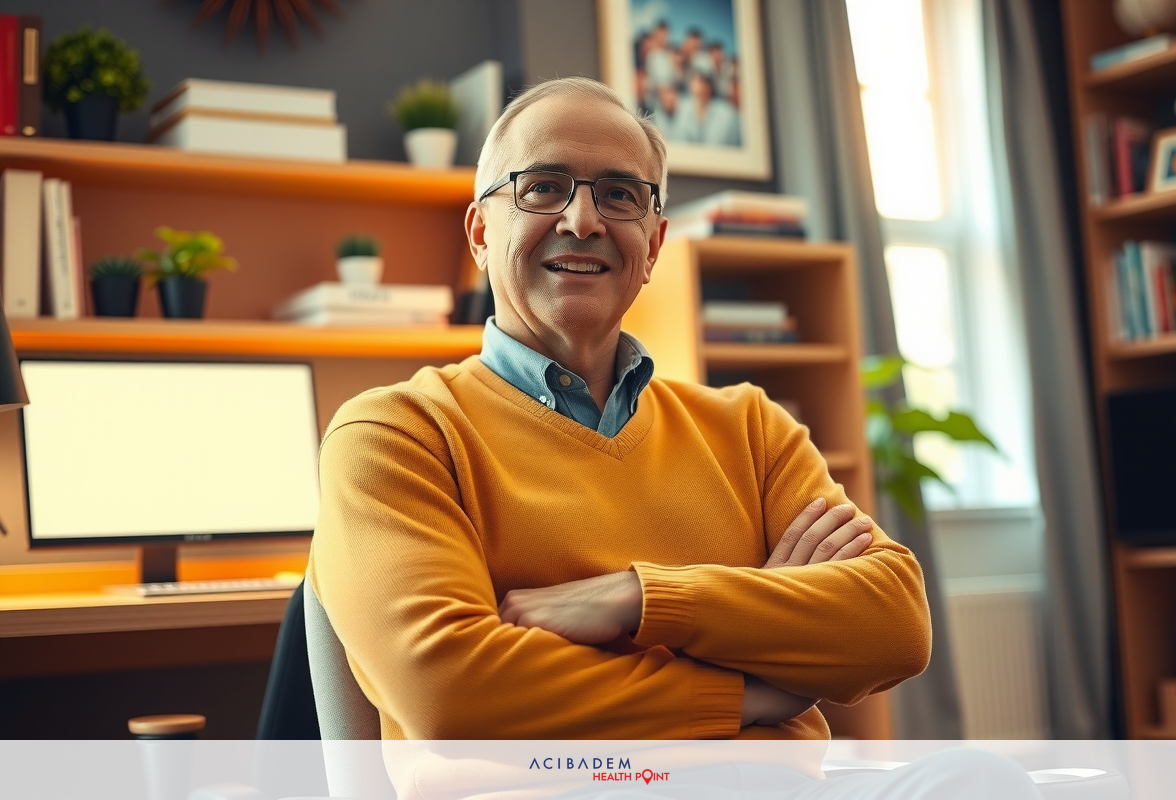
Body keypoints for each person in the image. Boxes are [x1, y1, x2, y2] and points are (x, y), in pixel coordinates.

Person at [309, 77, 1041, 799]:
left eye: (620, 194)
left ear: (653, 245)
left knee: (981, 780)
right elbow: (454, 695)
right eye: (543, 186)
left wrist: (641, 600)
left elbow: (891, 623)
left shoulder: (749, 428)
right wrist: (755, 690)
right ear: (479, 232)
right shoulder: (397, 433)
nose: (583, 219)